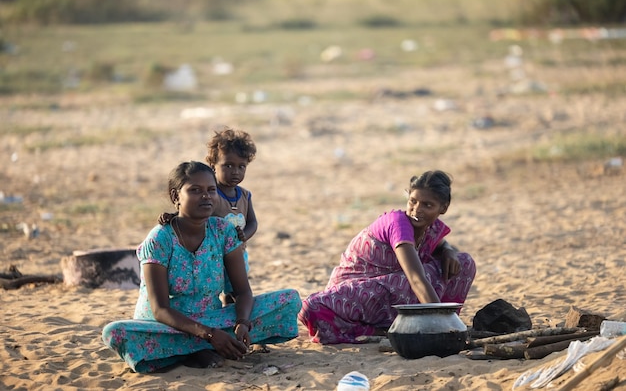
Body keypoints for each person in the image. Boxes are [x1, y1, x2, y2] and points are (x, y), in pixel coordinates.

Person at [102, 161, 301, 373]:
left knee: (289, 299)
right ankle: (197, 350)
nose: (206, 196)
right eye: (195, 190)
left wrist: (242, 323)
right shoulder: (160, 239)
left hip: (214, 320)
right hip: (166, 327)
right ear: (175, 197)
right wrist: (210, 335)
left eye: (211, 190)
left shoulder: (223, 231)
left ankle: (189, 351)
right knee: (114, 332)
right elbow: (160, 310)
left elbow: (242, 291)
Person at [298, 170, 476, 344]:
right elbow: (416, 278)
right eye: (413, 201)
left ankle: (426, 323)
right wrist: (442, 325)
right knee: (312, 307)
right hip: (357, 290)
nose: (417, 210)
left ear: (443, 208)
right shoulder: (398, 223)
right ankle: (417, 326)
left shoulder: (431, 227)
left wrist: (448, 250)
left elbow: (440, 244)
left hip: (389, 289)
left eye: (427, 205)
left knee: (463, 263)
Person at [160, 128, 258, 306]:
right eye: (228, 165)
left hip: (237, 253)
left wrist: (245, 234)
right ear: (213, 165)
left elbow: (252, 222)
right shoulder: (211, 194)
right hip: (212, 255)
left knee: (235, 291)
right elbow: (192, 214)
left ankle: (231, 314)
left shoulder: (244, 195)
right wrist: (173, 216)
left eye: (241, 167)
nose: (235, 171)